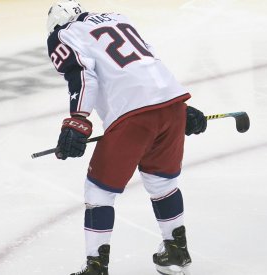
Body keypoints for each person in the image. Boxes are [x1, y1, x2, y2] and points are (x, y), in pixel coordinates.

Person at [46, 1, 207, 274]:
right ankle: (177, 251)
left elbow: (83, 75)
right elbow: (147, 60)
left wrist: (78, 119)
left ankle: (96, 267)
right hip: (171, 101)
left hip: (133, 114)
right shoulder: (119, 19)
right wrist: (180, 107)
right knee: (162, 182)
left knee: (99, 191)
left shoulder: (64, 33)